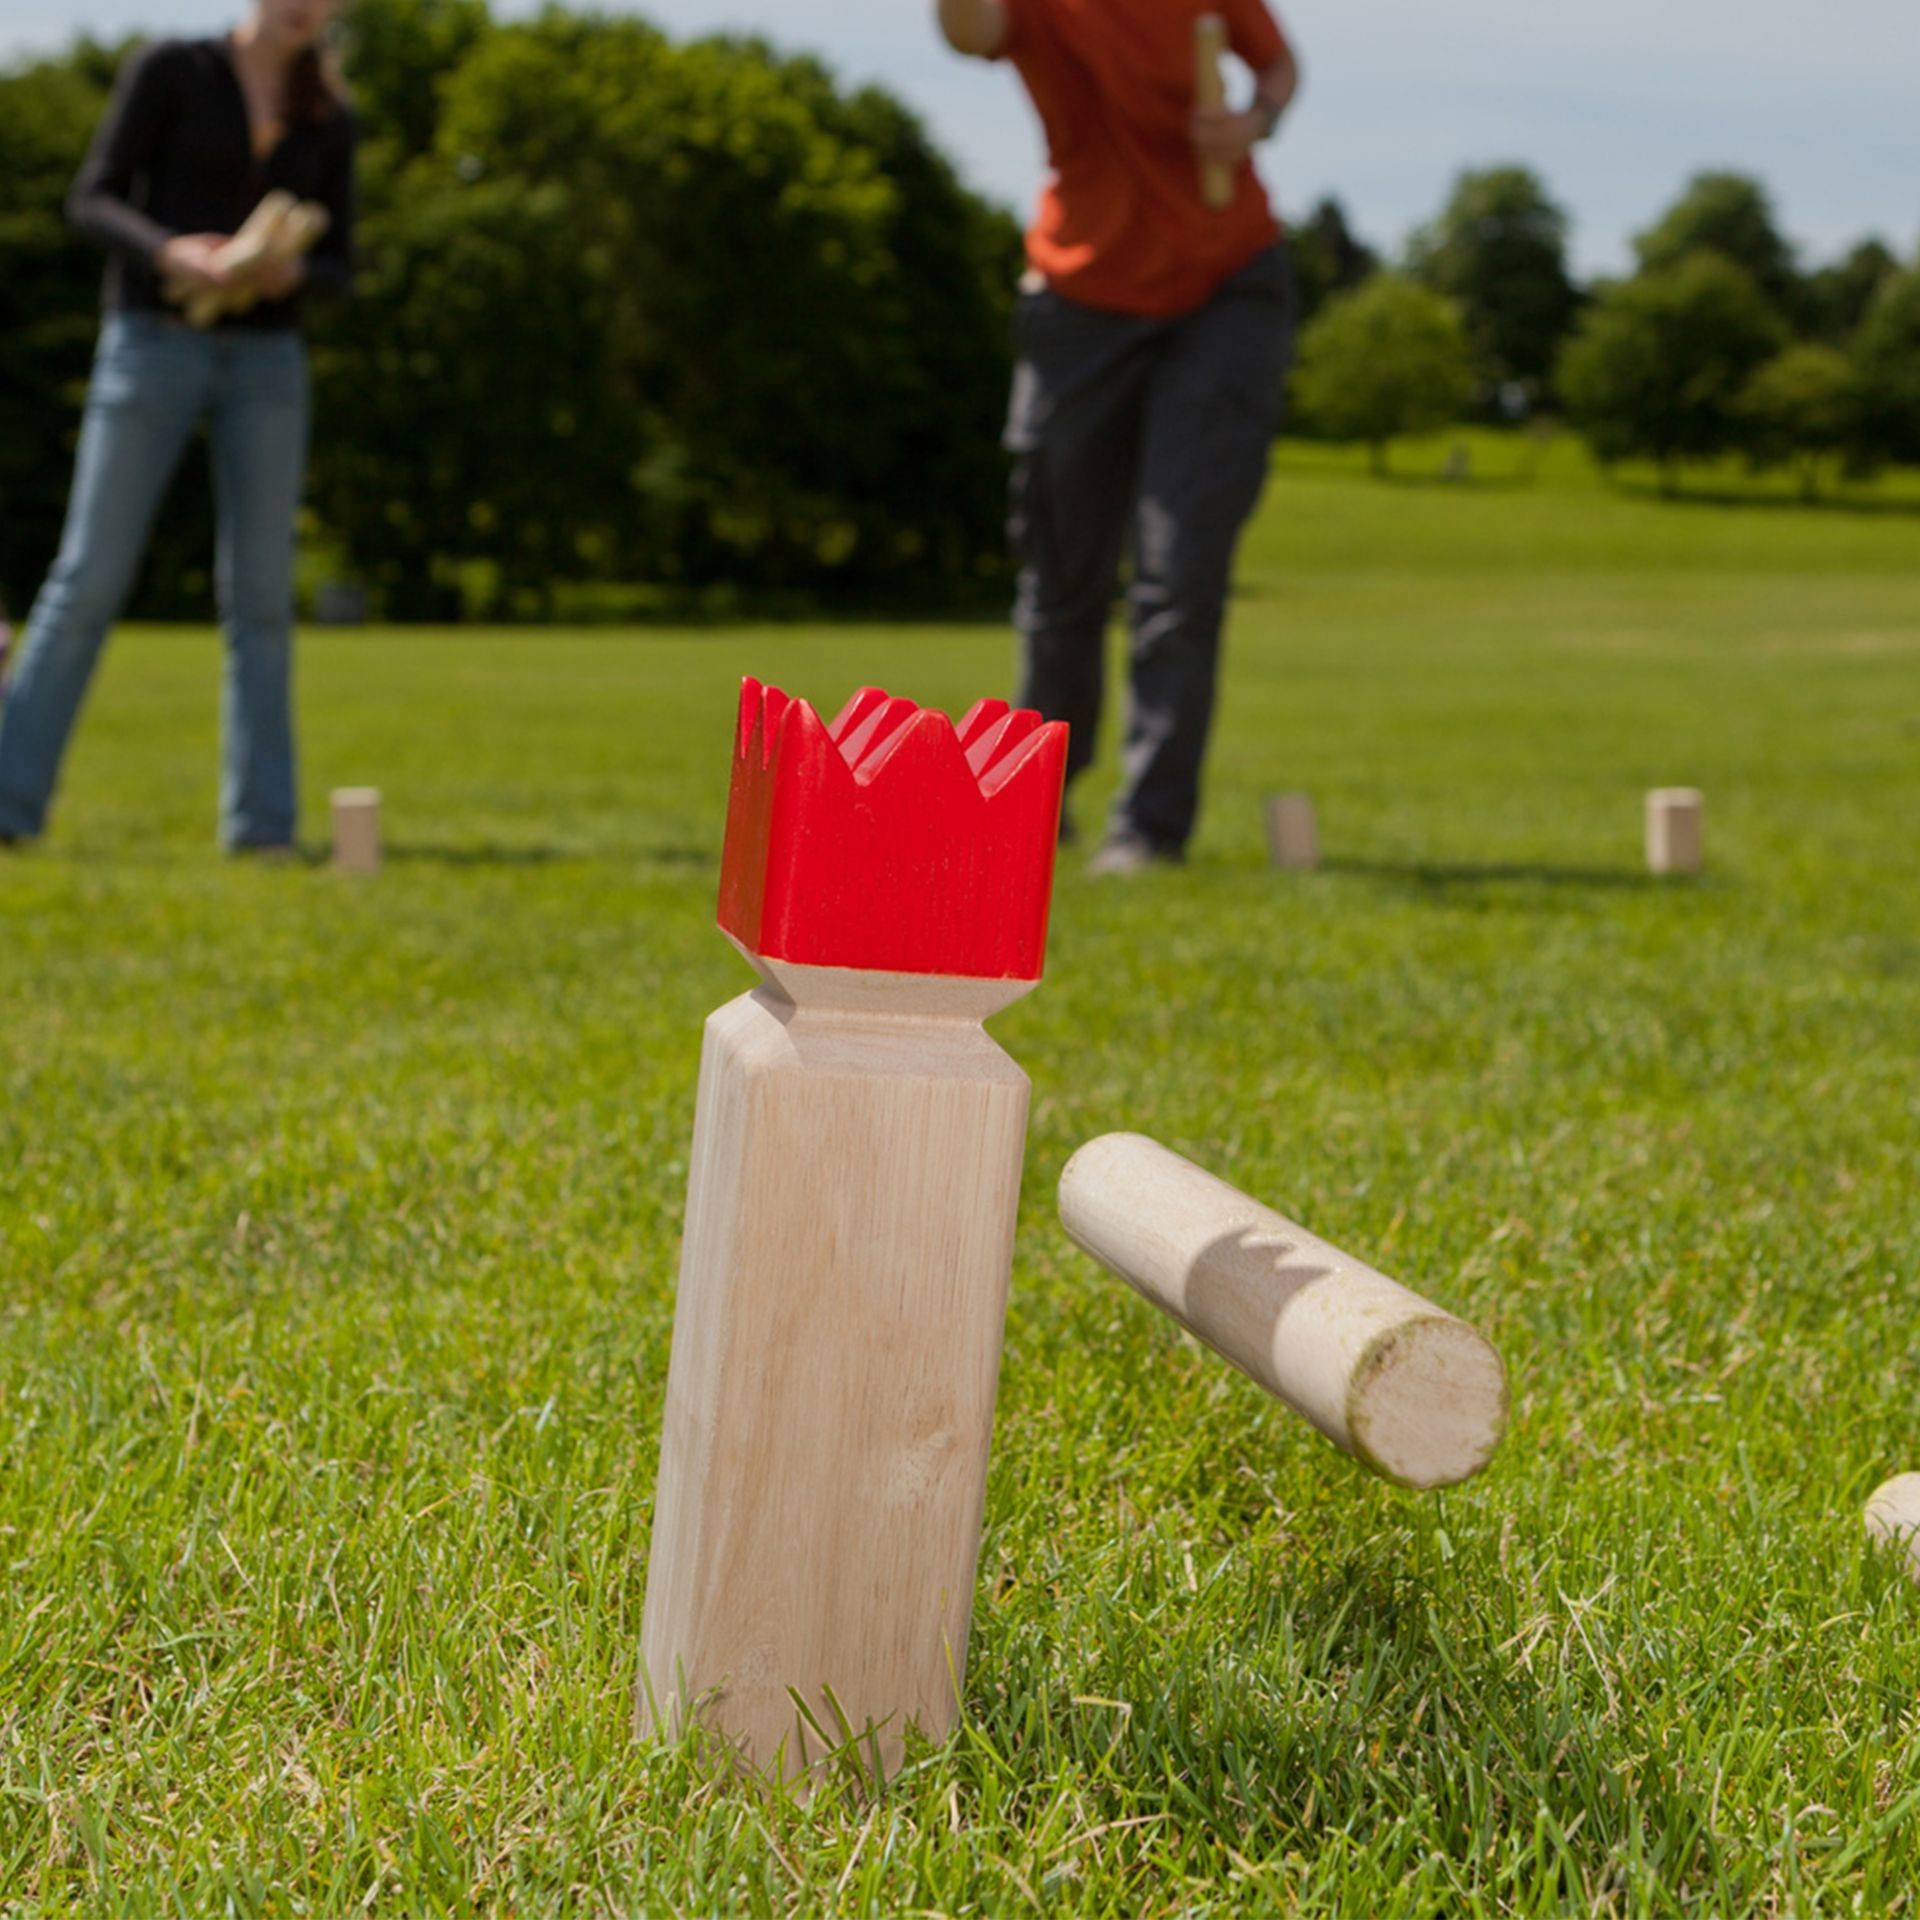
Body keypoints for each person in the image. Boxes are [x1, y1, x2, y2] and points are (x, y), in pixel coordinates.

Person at [936, 0, 1299, 872]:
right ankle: (1032, 812)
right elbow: (966, 32)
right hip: (1080, 301)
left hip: (1224, 287)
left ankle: (1148, 829)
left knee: (1180, 571)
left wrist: (1253, 121)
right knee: (1061, 573)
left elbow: (1279, 70)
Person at [0, 0, 356, 853]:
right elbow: (91, 199)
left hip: (268, 362)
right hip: (150, 343)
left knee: (264, 599)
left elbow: (344, 263)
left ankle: (263, 830)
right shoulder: (172, 69)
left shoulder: (329, 113)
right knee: (87, 579)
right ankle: (8, 807)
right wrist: (171, 253)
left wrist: (292, 270)